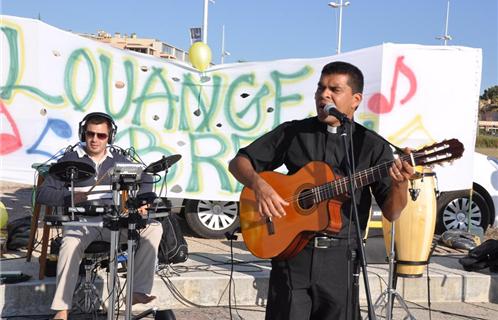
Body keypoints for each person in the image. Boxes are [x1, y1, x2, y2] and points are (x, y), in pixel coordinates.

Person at [228, 61, 414, 320]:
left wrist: (400, 182)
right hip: (292, 254)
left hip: (341, 260)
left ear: (355, 99)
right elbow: (239, 162)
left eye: (334, 90)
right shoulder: (294, 132)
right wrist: (259, 185)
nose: (323, 95)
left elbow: (392, 212)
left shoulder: (371, 145)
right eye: (321, 88)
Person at [37, 112, 163, 320]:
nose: (95, 139)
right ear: (83, 134)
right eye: (90, 134)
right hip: (82, 223)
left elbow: (147, 176)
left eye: (101, 135)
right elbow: (42, 193)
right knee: (69, 244)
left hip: (113, 222)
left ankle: (138, 291)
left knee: (153, 227)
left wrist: (142, 201)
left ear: (110, 137)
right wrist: (70, 197)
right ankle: (61, 309)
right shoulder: (69, 160)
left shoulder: (118, 160)